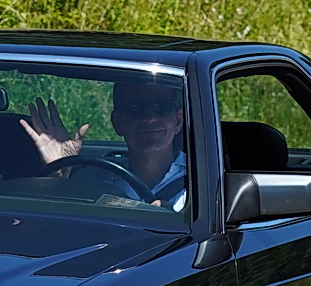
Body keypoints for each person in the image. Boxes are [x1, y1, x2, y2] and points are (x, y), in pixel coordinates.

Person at [18, 79, 188, 209]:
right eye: (135, 108)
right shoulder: (90, 180)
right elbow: (53, 228)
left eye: (162, 107)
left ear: (178, 120)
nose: (150, 118)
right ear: (117, 123)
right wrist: (59, 175)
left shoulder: (204, 181)